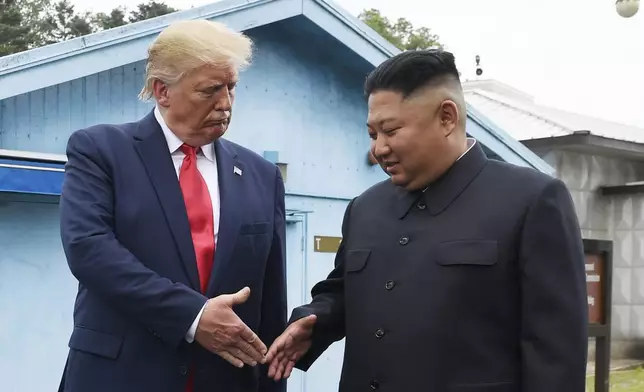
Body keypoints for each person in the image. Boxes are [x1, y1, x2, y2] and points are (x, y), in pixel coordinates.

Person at [266, 49, 588, 391]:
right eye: (373, 134)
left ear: (447, 117)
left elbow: (556, 355)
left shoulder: (531, 200)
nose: (379, 149)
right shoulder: (365, 207)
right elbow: (343, 292)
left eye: (390, 130)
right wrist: (316, 321)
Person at [58, 19, 287, 392]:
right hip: (119, 378)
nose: (225, 103)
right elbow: (89, 250)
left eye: (231, 88)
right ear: (162, 91)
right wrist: (193, 316)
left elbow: (270, 300)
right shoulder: (100, 150)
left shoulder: (262, 175)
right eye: (210, 90)